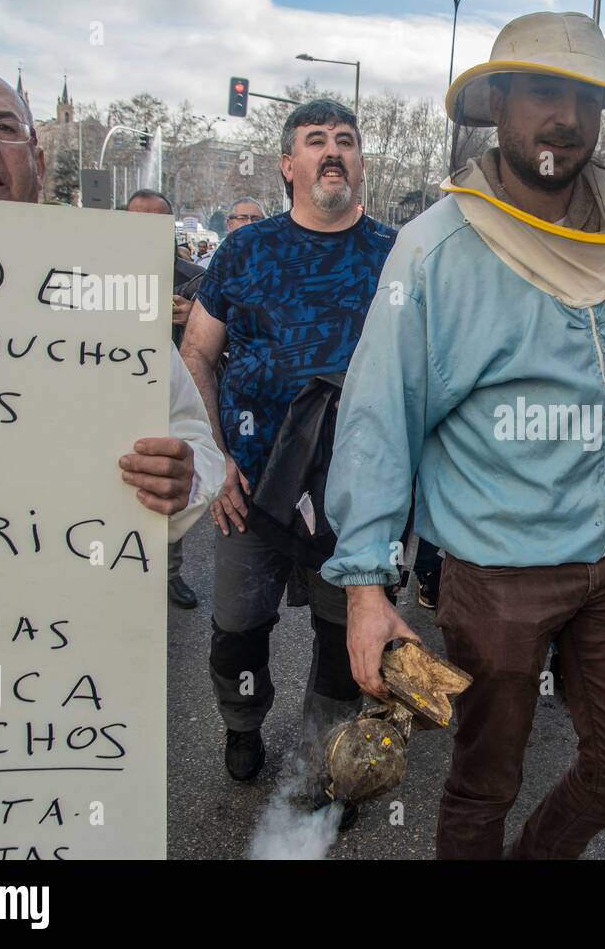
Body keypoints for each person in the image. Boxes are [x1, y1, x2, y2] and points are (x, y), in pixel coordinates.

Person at [322, 11, 605, 860]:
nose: (565, 118)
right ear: (497, 103)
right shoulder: (433, 253)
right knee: (483, 784)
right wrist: (364, 585)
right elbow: (377, 416)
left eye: (585, 96)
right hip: (496, 570)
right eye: (544, 91)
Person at [0, 56, 223, 560]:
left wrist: (184, 480)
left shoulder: (106, 289)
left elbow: (194, 441)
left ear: (39, 163)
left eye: (5, 128)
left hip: (64, 617)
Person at [179, 98, 397, 787]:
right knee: (239, 630)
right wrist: (215, 463)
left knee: (345, 642)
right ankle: (242, 725)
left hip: (357, 499)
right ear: (287, 163)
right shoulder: (246, 249)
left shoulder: (398, 256)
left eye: (345, 140)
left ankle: (322, 758)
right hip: (253, 486)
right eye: (315, 140)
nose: (332, 150)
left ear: (360, 162)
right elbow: (196, 354)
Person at [126, 189, 209, 609]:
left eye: (157, 222)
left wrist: (189, 317)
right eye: (136, 220)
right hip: (119, 395)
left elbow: (214, 341)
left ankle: (169, 573)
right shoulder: (98, 267)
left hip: (171, 397)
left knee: (167, 485)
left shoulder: (193, 276)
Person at [197, 196, 266, 269]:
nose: (249, 223)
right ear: (229, 224)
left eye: (256, 219)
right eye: (242, 218)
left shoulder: (277, 263)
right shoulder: (208, 265)